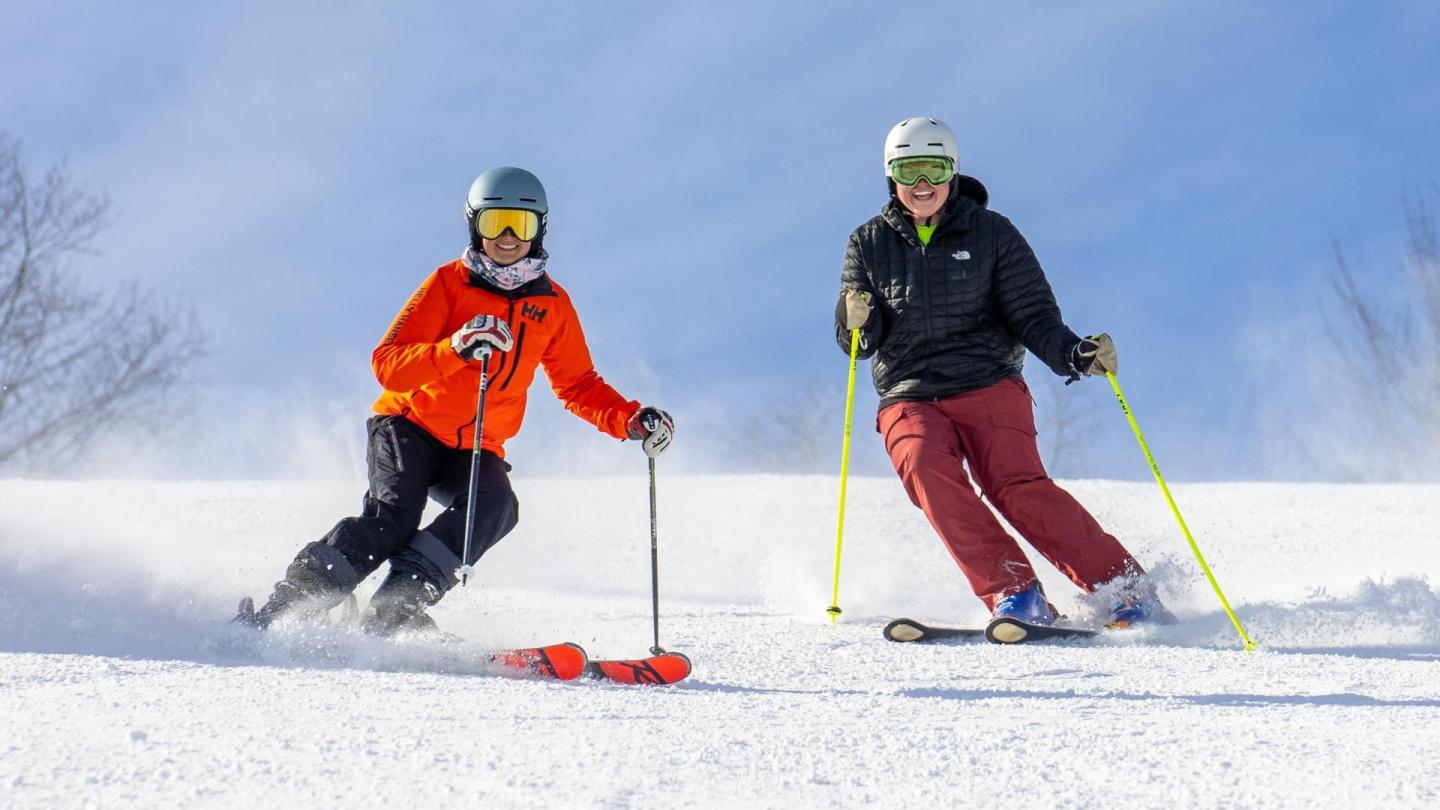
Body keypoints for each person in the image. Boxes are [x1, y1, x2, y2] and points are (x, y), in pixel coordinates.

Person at [236, 166, 674, 636]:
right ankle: (288, 605)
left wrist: (630, 420)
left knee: (495, 506)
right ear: (473, 225)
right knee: (395, 518)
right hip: (409, 425)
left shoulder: (552, 305)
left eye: (521, 225)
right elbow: (389, 363)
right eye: (494, 223)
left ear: (540, 229)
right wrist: (455, 348)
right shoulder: (448, 284)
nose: (507, 237)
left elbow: (578, 384)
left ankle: (397, 605)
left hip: (476, 444)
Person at [835, 117, 1174, 631]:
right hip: (909, 391)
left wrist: (1075, 354)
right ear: (891, 175)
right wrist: (851, 317)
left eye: (934, 168)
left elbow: (1033, 315)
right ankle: (1015, 592)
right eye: (909, 170)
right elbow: (860, 339)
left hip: (987, 380)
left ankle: (1124, 590)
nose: (922, 184)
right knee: (926, 468)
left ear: (952, 172)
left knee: (1015, 485)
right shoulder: (868, 242)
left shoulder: (992, 232)